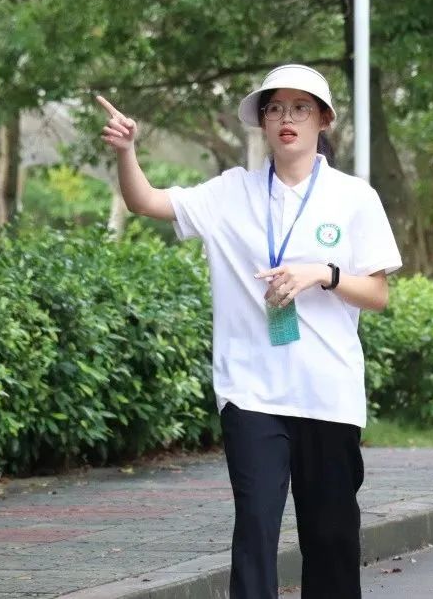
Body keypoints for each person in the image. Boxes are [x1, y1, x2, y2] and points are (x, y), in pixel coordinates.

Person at [97, 64, 402, 598]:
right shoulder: (230, 192)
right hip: (251, 392)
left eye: (301, 108)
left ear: (323, 120)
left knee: (331, 538)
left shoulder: (354, 197)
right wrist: (127, 151)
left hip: (328, 393)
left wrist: (323, 274)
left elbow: (377, 294)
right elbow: (145, 200)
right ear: (263, 122)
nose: (287, 118)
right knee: (256, 530)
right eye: (275, 108)